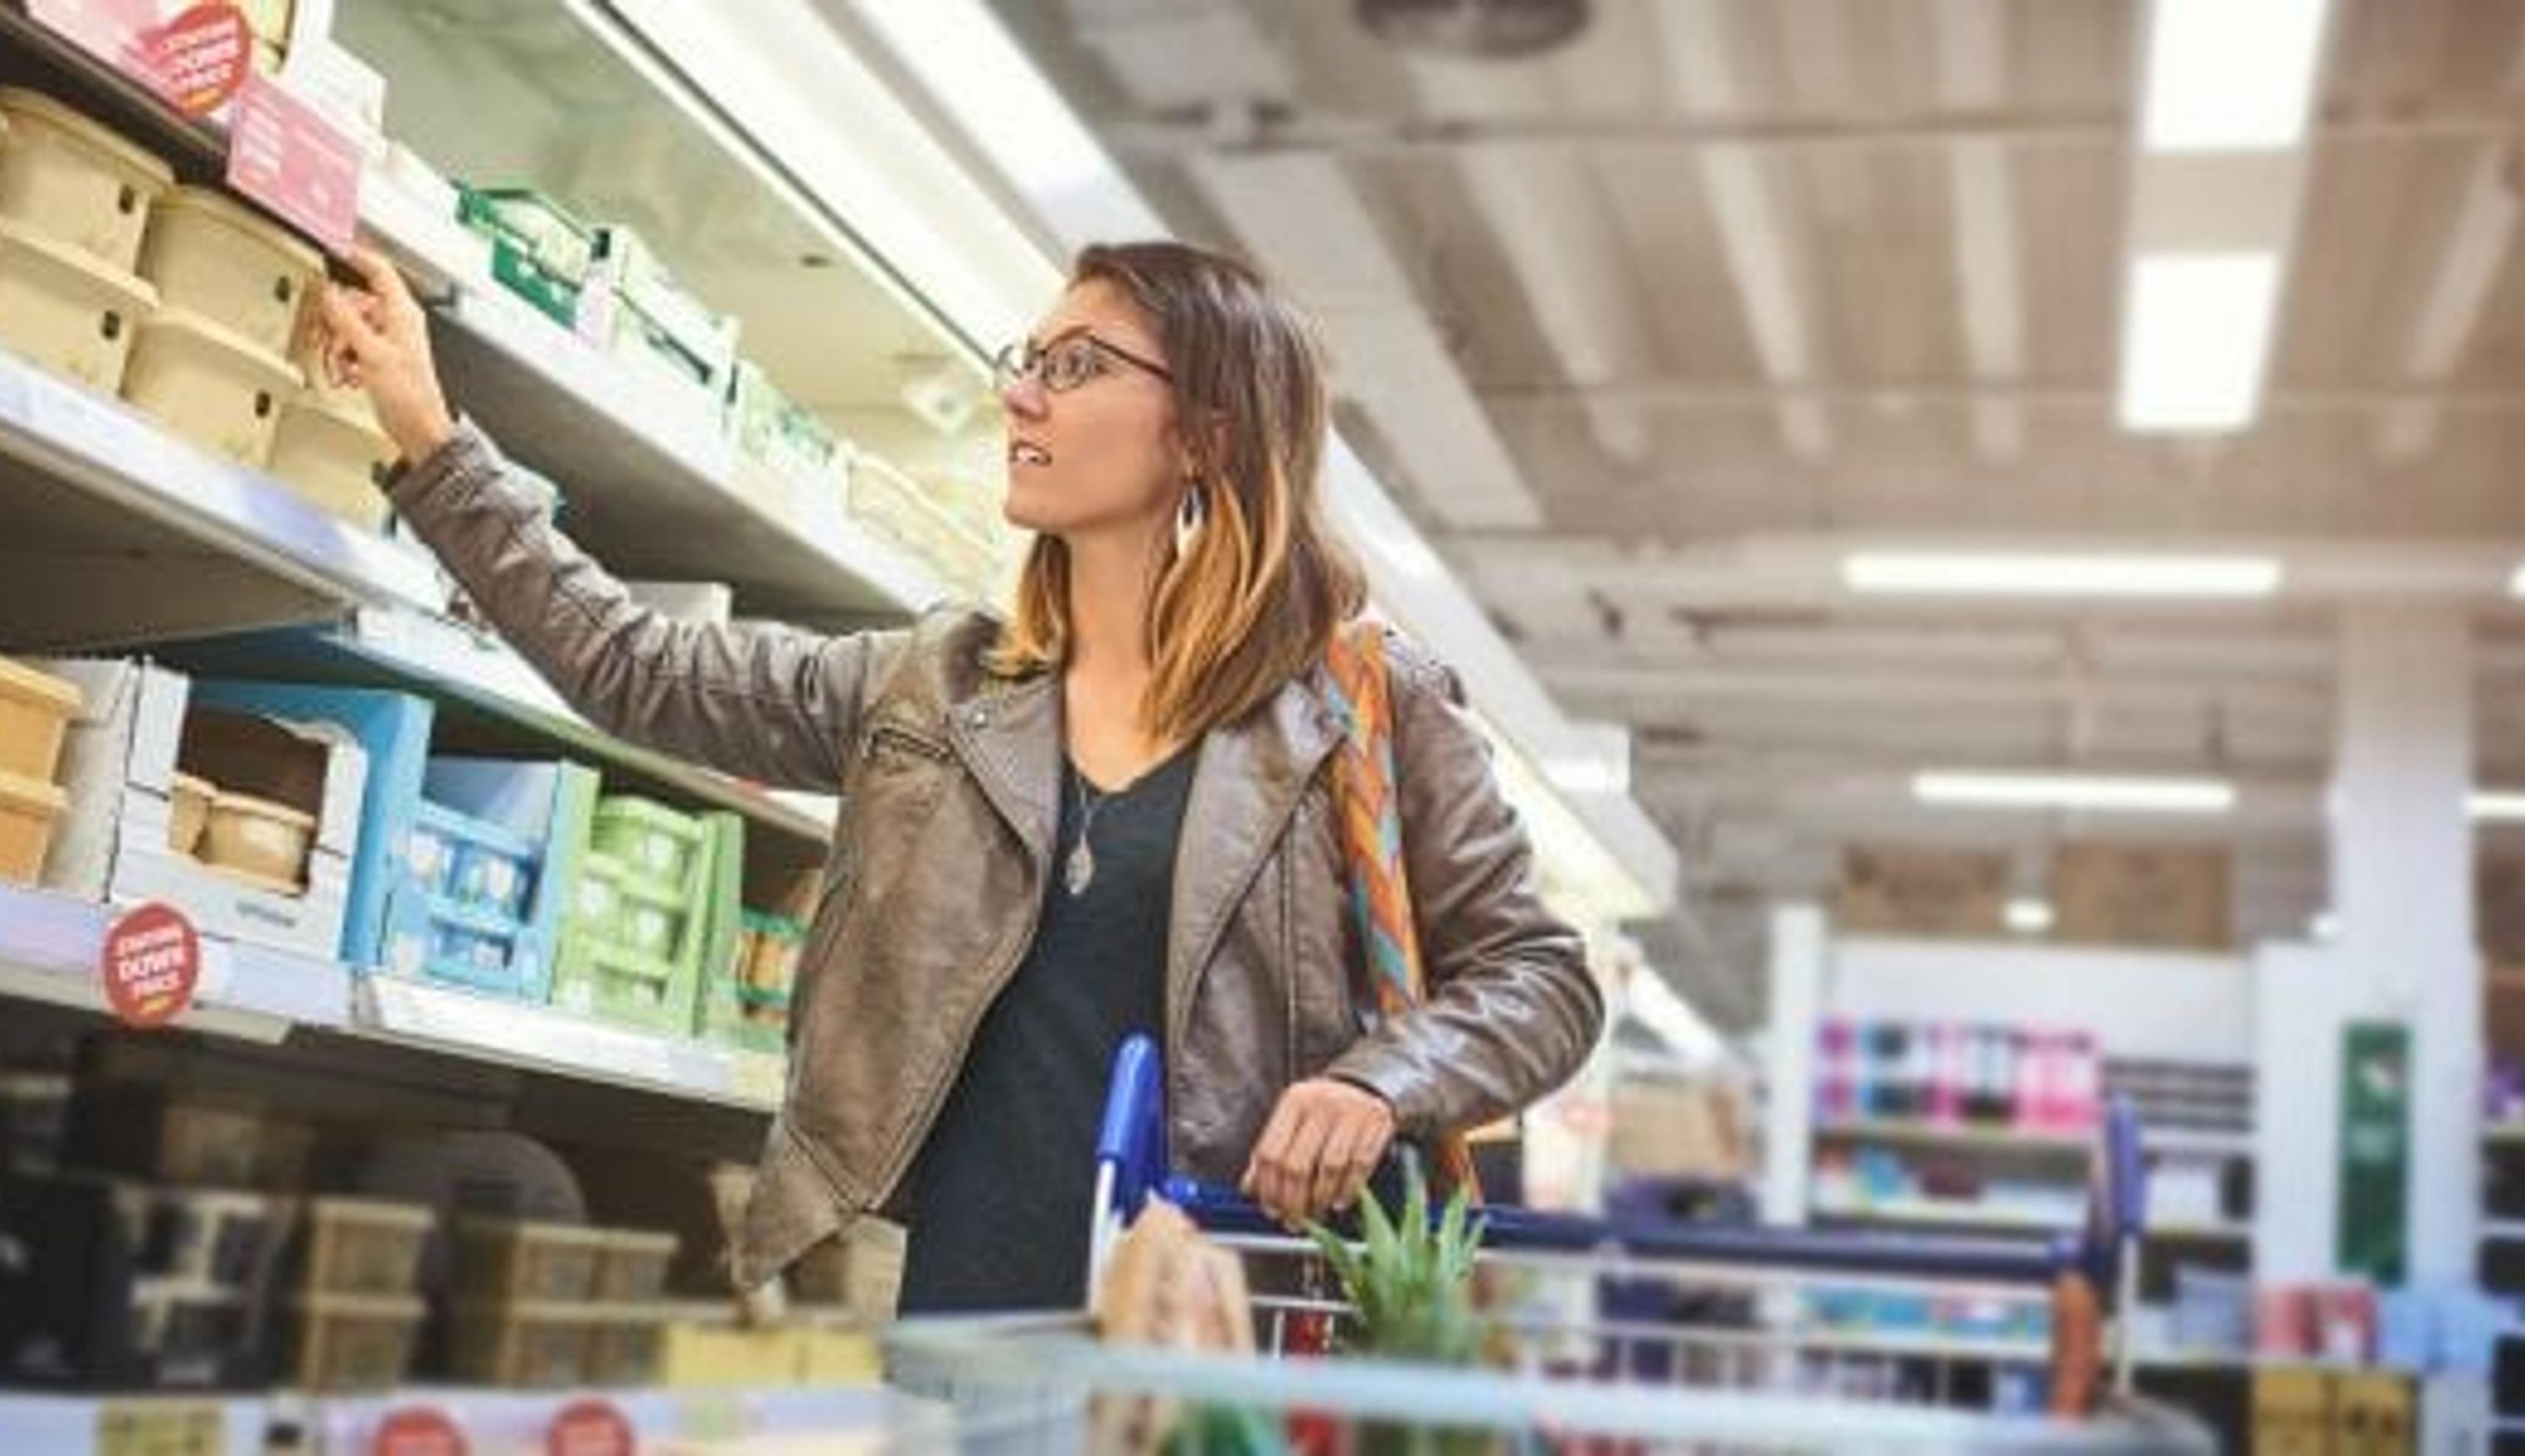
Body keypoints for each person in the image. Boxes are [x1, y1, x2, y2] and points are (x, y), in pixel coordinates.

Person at [316, 237, 1604, 1313]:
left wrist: (1380, 1082)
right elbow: (632, 666)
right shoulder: (932, 689)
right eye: (1026, 362)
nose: (1024, 396)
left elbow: (1542, 981)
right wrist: (430, 433)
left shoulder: (1363, 710)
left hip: (1235, 1334)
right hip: (965, 1321)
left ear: (1209, 430)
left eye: (1078, 367)